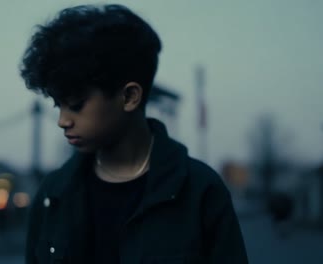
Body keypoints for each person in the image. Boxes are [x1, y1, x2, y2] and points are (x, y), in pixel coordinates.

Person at [19, 4, 248, 264]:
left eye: (76, 105)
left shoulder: (201, 191)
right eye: (58, 105)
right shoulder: (52, 195)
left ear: (129, 97)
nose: (62, 121)